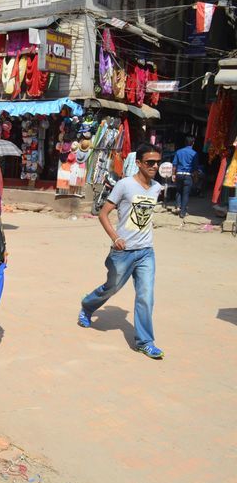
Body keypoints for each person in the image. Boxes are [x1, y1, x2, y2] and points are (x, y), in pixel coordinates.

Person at [78, 143, 165, 359]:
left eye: (157, 162)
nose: (154, 166)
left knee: (146, 296)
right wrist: (115, 237)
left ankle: (145, 341)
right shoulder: (125, 185)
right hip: (123, 251)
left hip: (146, 252)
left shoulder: (156, 188)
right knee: (112, 288)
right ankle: (88, 306)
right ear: (138, 163)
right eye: (149, 162)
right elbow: (103, 214)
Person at [172, 136, 200, 219]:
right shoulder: (194, 153)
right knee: (186, 194)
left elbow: (174, 165)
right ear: (193, 143)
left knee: (178, 191)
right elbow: (195, 168)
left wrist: (173, 175)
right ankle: (183, 212)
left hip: (179, 174)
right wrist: (196, 178)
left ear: (185, 142)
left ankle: (178, 207)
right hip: (188, 175)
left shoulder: (179, 152)